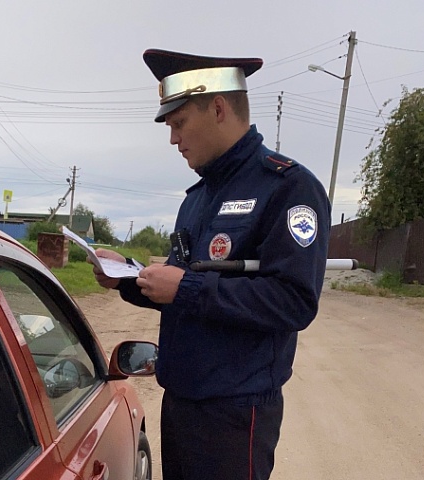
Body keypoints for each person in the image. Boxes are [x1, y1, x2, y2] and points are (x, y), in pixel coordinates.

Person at [91, 49, 331, 480]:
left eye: (179, 123)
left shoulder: (288, 187)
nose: (172, 138)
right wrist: (124, 277)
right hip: (181, 401)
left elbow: (294, 301)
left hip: (235, 413)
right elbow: (181, 286)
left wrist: (186, 288)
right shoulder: (196, 198)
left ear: (218, 108)